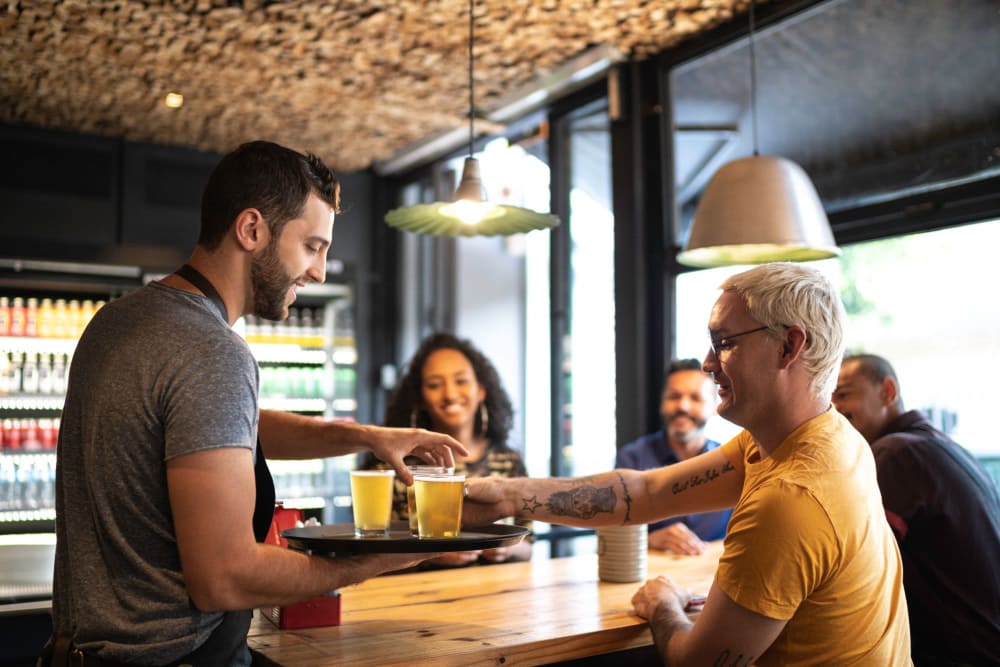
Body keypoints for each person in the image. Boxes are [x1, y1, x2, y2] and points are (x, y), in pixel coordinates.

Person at [45, 141, 467, 666]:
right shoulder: (213, 351)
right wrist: (382, 557)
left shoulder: (118, 322)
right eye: (313, 246)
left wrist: (365, 437)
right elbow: (225, 578)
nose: (320, 271)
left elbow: (212, 429)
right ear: (251, 230)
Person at [464, 262, 911, 666]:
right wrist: (506, 495)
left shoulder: (791, 496)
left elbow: (695, 663)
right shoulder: (814, 437)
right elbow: (645, 493)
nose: (708, 363)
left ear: (789, 346)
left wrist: (663, 603)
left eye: (725, 343)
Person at [833, 353, 1000, 666]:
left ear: (888, 392)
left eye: (843, 394)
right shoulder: (942, 445)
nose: (835, 409)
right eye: (828, 398)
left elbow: (853, 573)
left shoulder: (894, 455)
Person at [360, 332, 532, 567]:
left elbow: (528, 546)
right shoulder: (393, 464)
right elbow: (372, 551)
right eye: (434, 385)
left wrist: (506, 547)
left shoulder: (509, 461)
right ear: (420, 398)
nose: (450, 394)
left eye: (461, 381)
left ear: (481, 390)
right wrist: (432, 555)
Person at [615, 359, 731, 555]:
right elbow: (613, 533)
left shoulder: (730, 461)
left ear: (714, 407)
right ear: (662, 403)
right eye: (674, 396)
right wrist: (650, 539)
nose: (683, 406)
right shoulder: (632, 458)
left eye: (695, 398)